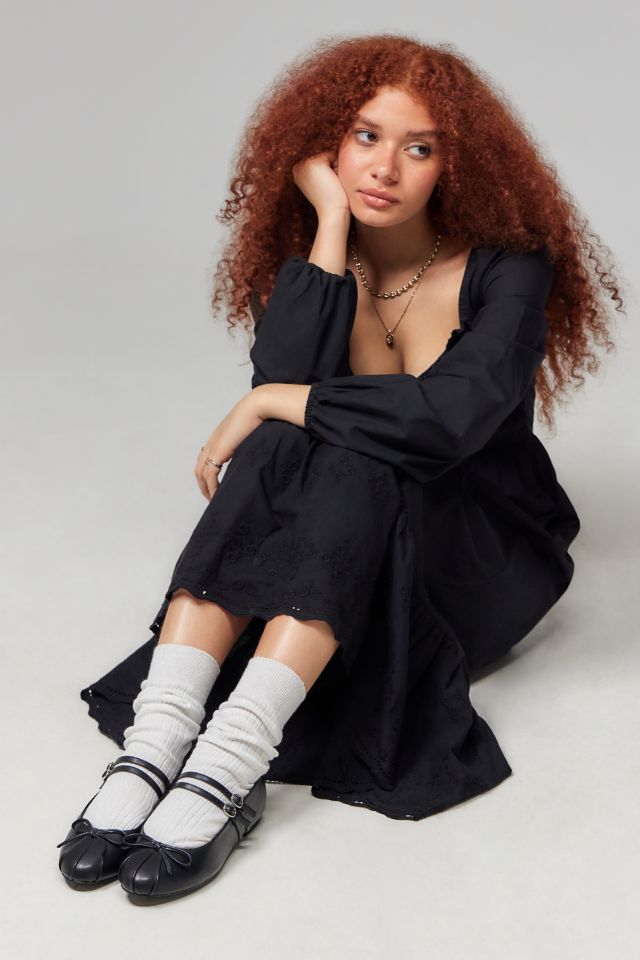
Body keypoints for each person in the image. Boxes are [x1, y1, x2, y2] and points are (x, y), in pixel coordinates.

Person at [57, 35, 623, 902]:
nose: (384, 168)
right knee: (289, 436)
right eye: (365, 136)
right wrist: (328, 224)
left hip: (474, 547)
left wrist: (268, 402)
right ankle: (156, 745)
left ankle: (229, 762)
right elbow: (283, 376)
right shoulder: (318, 262)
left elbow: (448, 420)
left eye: (419, 148)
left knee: (329, 437)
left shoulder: (510, 268)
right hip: (341, 542)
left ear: (457, 167)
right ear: (326, 144)